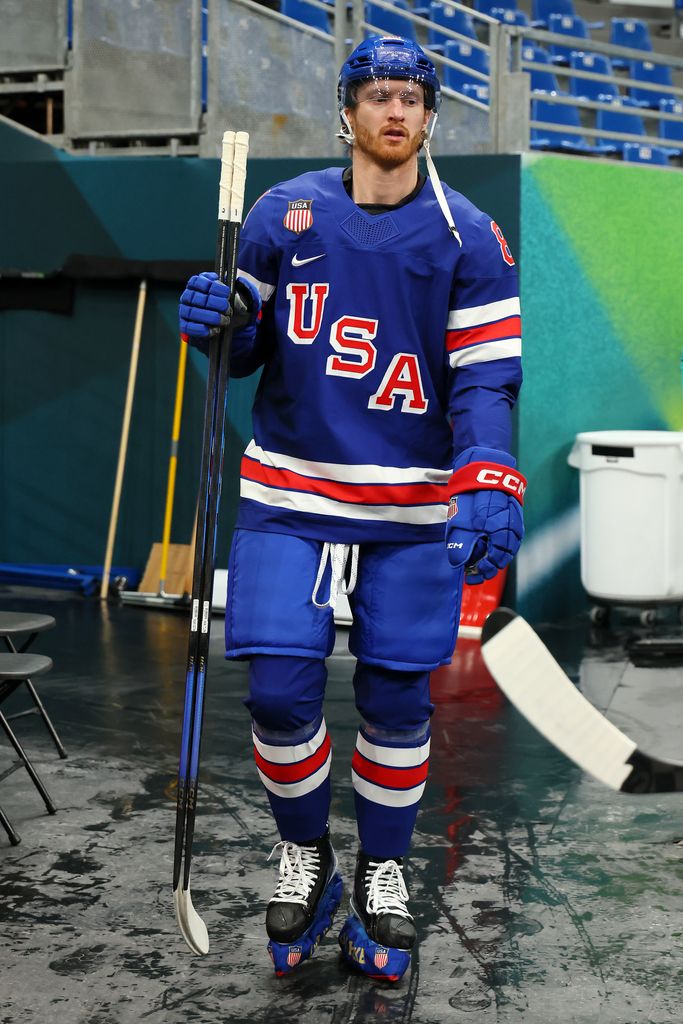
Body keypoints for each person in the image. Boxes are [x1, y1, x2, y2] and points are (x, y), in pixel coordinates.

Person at [178, 35, 525, 982]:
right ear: (346, 110)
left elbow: (485, 382)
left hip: (410, 505)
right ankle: (308, 854)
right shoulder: (280, 215)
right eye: (377, 95)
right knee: (282, 691)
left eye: (412, 97)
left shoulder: (470, 236)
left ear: (429, 114)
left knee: (395, 697)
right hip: (289, 490)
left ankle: (380, 869)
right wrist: (222, 319)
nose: (396, 111)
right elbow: (241, 352)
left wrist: (487, 471)